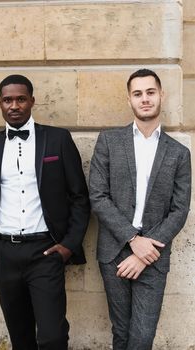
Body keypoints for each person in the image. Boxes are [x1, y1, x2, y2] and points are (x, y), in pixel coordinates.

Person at [0, 74, 90, 350]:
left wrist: (68, 246)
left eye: (21, 99)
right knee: (20, 338)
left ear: (32, 101)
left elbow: (80, 198)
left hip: (45, 253)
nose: (14, 105)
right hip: (3, 254)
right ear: (0, 103)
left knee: (53, 336)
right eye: (8, 100)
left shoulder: (58, 139)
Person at [89, 69, 191, 350]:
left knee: (143, 337)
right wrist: (133, 240)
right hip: (114, 253)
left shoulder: (179, 153)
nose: (144, 99)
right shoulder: (109, 142)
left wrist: (145, 253)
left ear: (161, 96)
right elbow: (98, 196)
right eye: (138, 94)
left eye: (150, 92)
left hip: (154, 256)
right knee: (121, 333)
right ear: (129, 99)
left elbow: (179, 209)